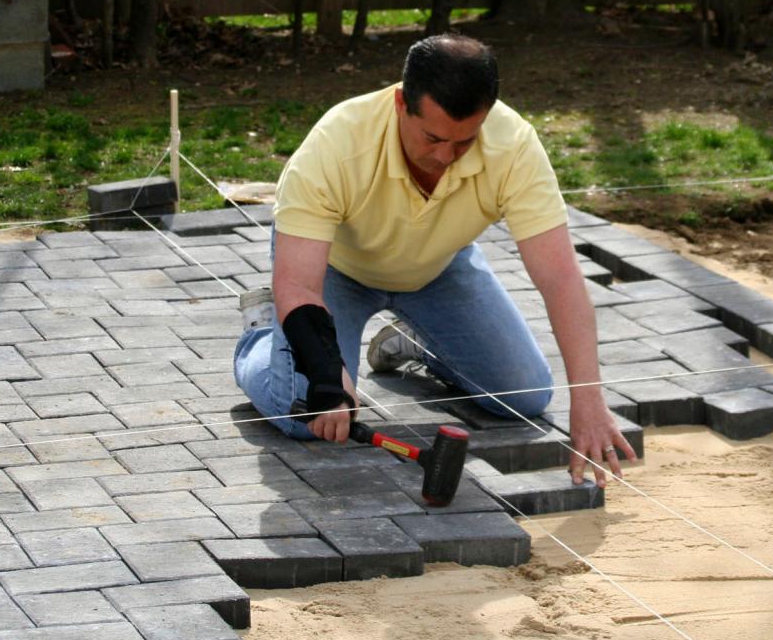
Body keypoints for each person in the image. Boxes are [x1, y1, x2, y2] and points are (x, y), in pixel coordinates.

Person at [233, 34, 636, 487]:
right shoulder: (337, 141)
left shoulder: (514, 145)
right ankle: (263, 337)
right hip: (333, 273)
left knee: (526, 395)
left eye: (464, 143)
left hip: (438, 269)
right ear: (402, 103)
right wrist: (328, 374)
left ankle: (416, 342)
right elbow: (301, 285)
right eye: (433, 137)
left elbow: (560, 277)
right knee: (307, 414)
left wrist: (588, 398)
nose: (445, 156)